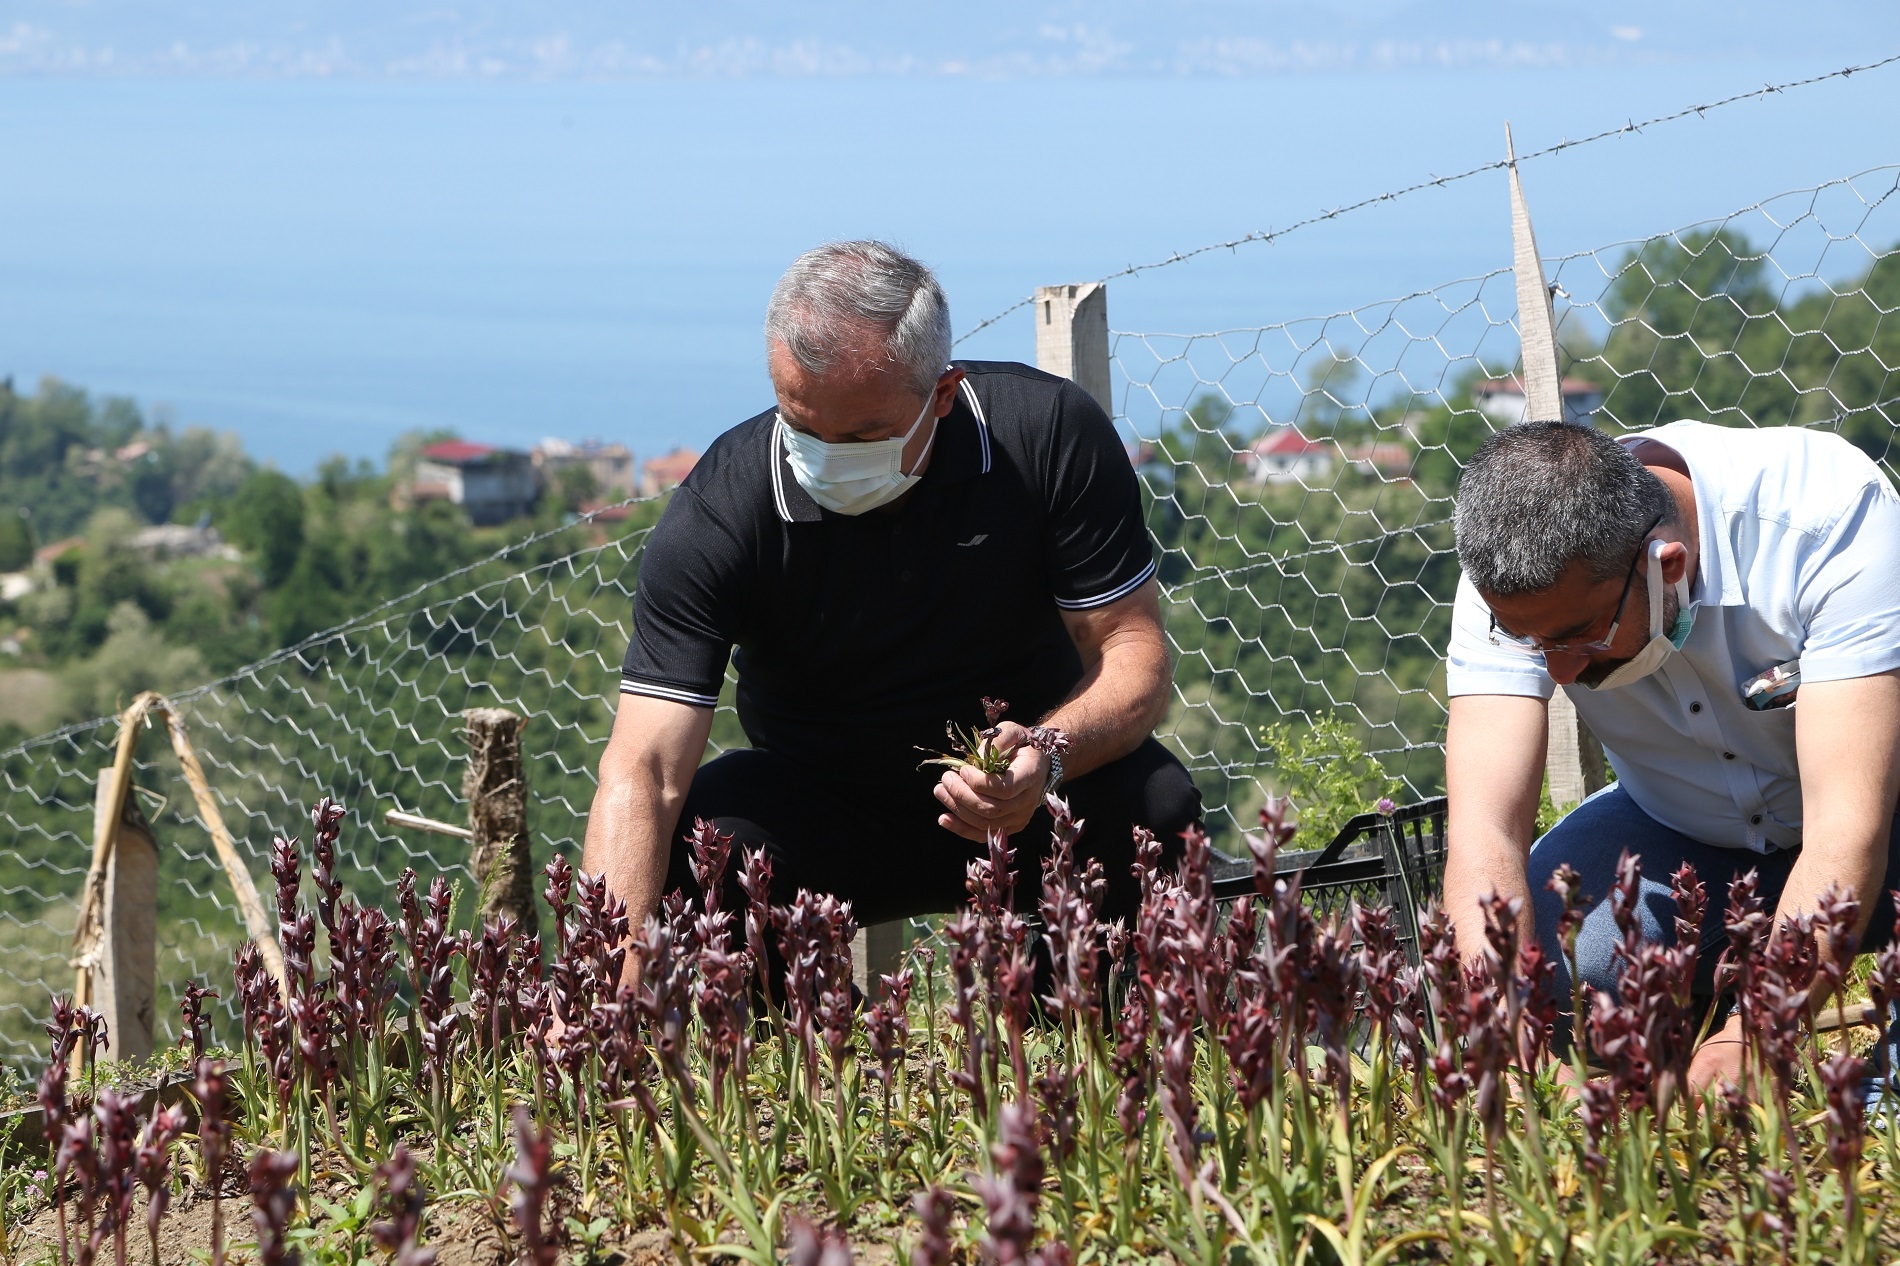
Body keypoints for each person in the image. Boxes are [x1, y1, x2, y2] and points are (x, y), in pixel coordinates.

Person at [582, 241, 1200, 933]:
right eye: (801, 425)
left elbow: (1134, 650)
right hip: (824, 815)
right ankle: (787, 1042)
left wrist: (1048, 754)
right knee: (711, 835)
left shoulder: (1044, 434)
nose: (826, 456)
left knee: (1159, 802)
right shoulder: (724, 508)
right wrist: (610, 996)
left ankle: (1098, 1029)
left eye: (864, 435)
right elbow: (643, 771)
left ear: (941, 394)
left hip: (1020, 795)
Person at [1443, 418, 1900, 1090]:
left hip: (1880, 825)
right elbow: (1485, 835)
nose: (1562, 673)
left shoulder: (1823, 517)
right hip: (1686, 828)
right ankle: (1699, 1013)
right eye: (1535, 647)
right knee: (1563, 961)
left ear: (1669, 567)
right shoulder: (1513, 590)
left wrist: (1756, 1033)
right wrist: (1501, 1017)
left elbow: (1848, 830)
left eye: (1582, 639)